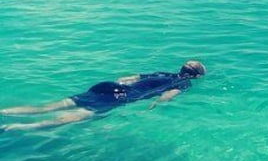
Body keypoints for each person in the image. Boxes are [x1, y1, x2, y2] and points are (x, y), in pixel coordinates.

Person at [0, 60, 206, 132]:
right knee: (78, 116)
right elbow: (166, 97)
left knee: (47, 107)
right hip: (119, 97)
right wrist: (152, 107)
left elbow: (126, 78)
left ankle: (4, 112)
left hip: (107, 86)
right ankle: (19, 127)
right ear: (196, 77)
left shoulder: (162, 73)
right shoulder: (183, 83)